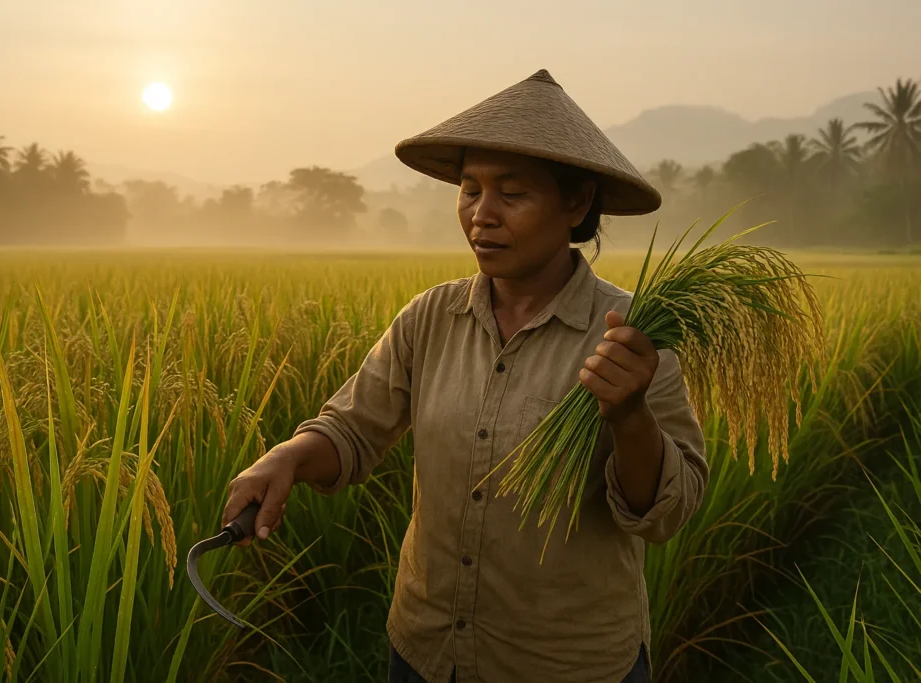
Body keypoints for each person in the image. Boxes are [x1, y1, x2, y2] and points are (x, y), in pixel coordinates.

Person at [222, 69, 709, 683]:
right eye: (470, 190)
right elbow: (352, 430)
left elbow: (665, 514)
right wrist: (288, 459)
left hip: (566, 666)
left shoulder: (631, 338)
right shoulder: (431, 317)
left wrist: (630, 414)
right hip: (426, 652)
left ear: (576, 203)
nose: (483, 215)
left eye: (512, 193)